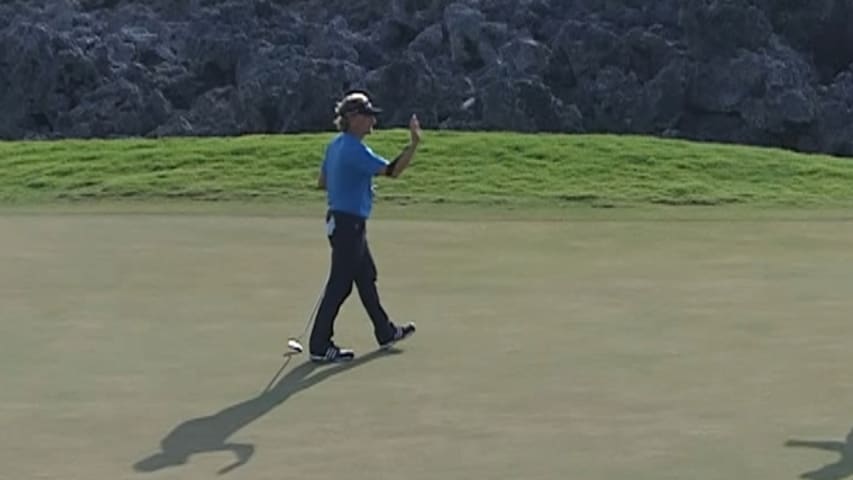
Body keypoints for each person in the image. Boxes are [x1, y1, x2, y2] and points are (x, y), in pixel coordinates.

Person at [308, 90, 421, 363]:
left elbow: (323, 182)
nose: (373, 121)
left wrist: (355, 186)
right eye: (368, 115)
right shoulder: (353, 149)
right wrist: (414, 144)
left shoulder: (336, 145)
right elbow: (393, 171)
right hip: (348, 224)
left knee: (366, 276)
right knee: (341, 284)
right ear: (353, 118)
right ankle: (319, 344)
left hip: (342, 221)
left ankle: (385, 331)